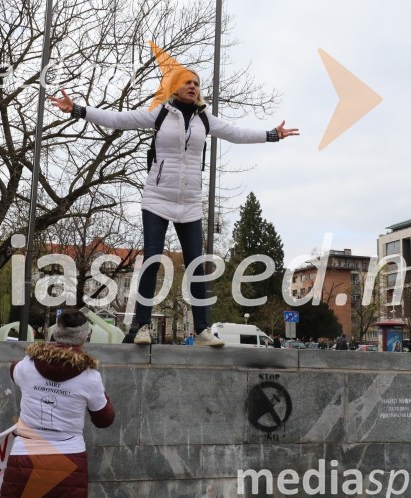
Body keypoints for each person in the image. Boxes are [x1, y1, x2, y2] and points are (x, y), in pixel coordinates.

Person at [50, 70, 298, 348]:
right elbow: (118, 119)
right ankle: (142, 326)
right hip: (157, 198)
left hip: (190, 203)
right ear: (175, 88)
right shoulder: (159, 114)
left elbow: (235, 133)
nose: (193, 87)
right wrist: (78, 110)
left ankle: (203, 329)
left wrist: (271, 134)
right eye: (187, 83)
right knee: (152, 260)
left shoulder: (205, 118)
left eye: (196, 84)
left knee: (197, 267)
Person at [0, 309, 115, 498]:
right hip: (67, 462)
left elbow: (12, 370)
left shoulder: (27, 366)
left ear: (55, 332)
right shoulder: (90, 377)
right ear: (83, 338)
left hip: (25, 458)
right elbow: (104, 419)